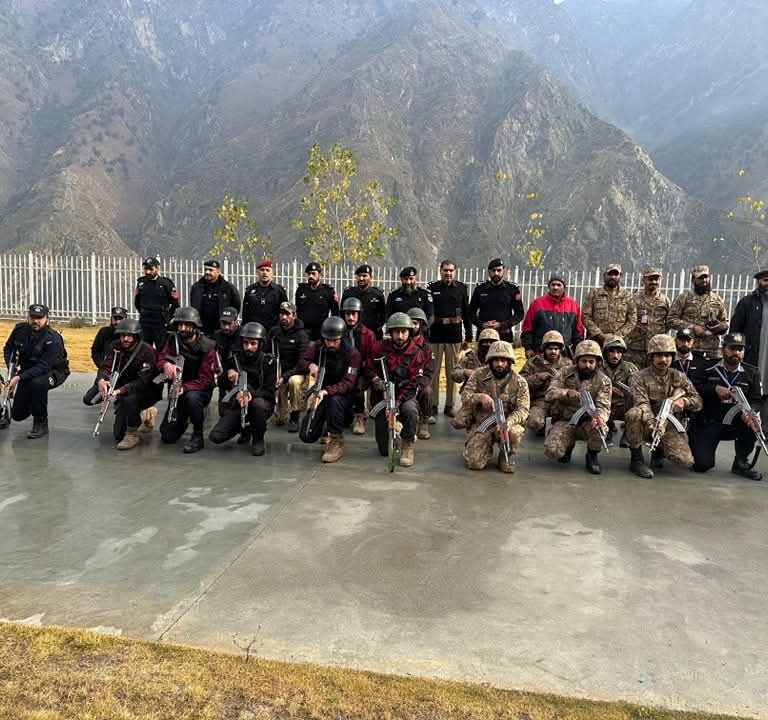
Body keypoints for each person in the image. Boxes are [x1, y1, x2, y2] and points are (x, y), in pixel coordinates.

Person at [623, 334, 703, 478]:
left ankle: (659, 450)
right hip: (646, 424)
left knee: (685, 460)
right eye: (659, 355)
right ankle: (636, 459)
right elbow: (642, 403)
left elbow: (698, 402)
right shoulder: (639, 377)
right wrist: (653, 423)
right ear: (651, 356)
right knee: (633, 414)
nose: (663, 360)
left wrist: (684, 402)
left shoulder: (678, 376)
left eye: (667, 355)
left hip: (669, 426)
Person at [689, 333, 764, 481]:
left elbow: (757, 399)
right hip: (708, 422)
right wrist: (714, 389)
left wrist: (752, 411)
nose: (736, 353)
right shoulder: (707, 367)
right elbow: (693, 387)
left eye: (740, 349)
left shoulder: (752, 372)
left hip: (735, 423)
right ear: (723, 349)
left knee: (752, 422)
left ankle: (741, 462)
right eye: (732, 348)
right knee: (701, 465)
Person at [295, 316, 360, 463]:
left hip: (343, 397)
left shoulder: (352, 354)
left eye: (334, 341)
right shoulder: (319, 346)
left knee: (335, 401)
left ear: (342, 338)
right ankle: (326, 426)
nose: (330, 343)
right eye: (327, 340)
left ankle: (336, 440)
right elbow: (301, 362)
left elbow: (348, 383)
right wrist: (309, 366)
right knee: (307, 435)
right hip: (321, 392)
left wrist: (326, 392)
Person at [369, 313, 430, 468]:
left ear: (409, 332)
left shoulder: (417, 354)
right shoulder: (379, 348)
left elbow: (413, 383)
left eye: (404, 332)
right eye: (397, 332)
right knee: (384, 450)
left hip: (405, 395)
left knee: (410, 409)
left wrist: (396, 403)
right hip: (383, 397)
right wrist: (376, 379)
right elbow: (367, 367)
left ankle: (407, 444)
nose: (400, 336)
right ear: (391, 332)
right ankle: (395, 432)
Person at [1, 304, 69, 438]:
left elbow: (44, 366)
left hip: (54, 372)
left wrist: (18, 378)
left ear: (47, 319)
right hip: (29, 371)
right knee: (18, 415)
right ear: (28, 317)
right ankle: (30, 403)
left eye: (40, 318)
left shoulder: (53, 339)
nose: (36, 321)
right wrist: (12, 369)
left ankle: (41, 423)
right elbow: (8, 348)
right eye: (33, 317)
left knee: (37, 384)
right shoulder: (20, 330)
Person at [460, 341, 529, 474]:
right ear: (490, 361)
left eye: (503, 360)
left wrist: (508, 423)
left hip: (506, 424)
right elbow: (465, 396)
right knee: (474, 463)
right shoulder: (479, 374)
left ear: (510, 362)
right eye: (496, 360)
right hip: (482, 422)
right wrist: (480, 397)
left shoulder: (519, 382)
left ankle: (505, 455)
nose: (499, 364)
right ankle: (479, 446)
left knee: (515, 432)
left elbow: (523, 409)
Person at [155, 307, 217, 454]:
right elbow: (160, 358)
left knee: (192, 398)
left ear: (195, 326)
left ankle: (198, 435)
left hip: (198, 391)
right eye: (179, 325)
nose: (182, 328)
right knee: (167, 436)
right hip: (177, 392)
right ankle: (184, 418)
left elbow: (206, 379)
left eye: (186, 325)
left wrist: (184, 388)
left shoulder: (208, 346)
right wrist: (166, 365)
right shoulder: (172, 340)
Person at [544, 340, 611, 474]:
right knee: (552, 450)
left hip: (588, 422)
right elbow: (549, 394)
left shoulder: (604, 381)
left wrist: (600, 418)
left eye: (591, 362)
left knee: (601, 429)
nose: (587, 365)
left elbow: (604, 405)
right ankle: (567, 446)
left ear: (597, 362)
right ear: (577, 361)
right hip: (565, 420)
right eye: (584, 361)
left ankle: (592, 456)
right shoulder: (564, 372)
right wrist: (566, 392)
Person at [209, 322, 277, 456]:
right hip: (237, 405)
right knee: (216, 436)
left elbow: (269, 392)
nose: (248, 347)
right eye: (245, 343)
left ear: (260, 344)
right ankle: (245, 430)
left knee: (257, 405)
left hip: (261, 404)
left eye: (253, 344)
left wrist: (250, 393)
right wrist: (228, 376)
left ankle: (258, 438)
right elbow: (221, 384)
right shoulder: (233, 360)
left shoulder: (268, 362)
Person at [94, 318, 159, 450]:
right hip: (123, 387)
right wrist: (101, 379)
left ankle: (132, 433)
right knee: (118, 435)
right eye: (123, 335)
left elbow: (142, 382)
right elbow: (106, 366)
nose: (125, 339)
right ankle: (141, 414)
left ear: (136, 336)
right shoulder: (115, 346)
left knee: (130, 400)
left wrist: (118, 392)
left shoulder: (147, 352)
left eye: (129, 336)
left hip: (146, 390)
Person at [427, 259, 471, 418]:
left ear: (455, 272)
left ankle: (450, 405)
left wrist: (469, 335)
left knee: (453, 372)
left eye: (451, 270)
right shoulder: (432, 288)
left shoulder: (461, 289)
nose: (448, 273)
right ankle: (432, 405)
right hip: (436, 336)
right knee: (434, 372)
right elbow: (428, 313)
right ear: (440, 271)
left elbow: (467, 313)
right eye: (445, 270)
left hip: (454, 336)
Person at [668, 265, 728, 359]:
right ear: (693, 280)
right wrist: (693, 327)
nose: (704, 280)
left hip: (711, 351)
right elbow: (671, 320)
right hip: (689, 350)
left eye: (706, 277)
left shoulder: (717, 300)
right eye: (700, 278)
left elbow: (725, 322)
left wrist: (720, 326)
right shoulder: (684, 297)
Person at [268, 302, 310, 431]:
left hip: (298, 374)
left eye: (287, 314)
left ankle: (295, 417)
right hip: (280, 373)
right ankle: (280, 411)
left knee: (294, 382)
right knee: (280, 420)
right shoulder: (274, 332)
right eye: (281, 314)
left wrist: (285, 376)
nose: (283, 317)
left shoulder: (302, 335)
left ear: (294, 315)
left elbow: (303, 363)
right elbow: (266, 353)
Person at [519, 330, 571, 433]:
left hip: (560, 401)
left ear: (560, 349)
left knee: (568, 424)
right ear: (544, 349)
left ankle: (556, 429)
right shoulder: (533, 362)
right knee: (534, 423)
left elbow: (575, 383)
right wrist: (537, 378)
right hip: (540, 401)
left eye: (556, 349)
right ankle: (540, 428)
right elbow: (520, 383)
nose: (553, 352)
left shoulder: (568, 364)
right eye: (550, 349)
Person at [520, 274, 583, 356]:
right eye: (553, 285)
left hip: (565, 355)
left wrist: (577, 350)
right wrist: (528, 348)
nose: (555, 287)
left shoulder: (573, 306)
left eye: (558, 285)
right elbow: (528, 328)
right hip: (540, 354)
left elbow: (578, 332)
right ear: (549, 287)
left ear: (564, 287)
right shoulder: (537, 304)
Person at [450, 328, 500, 430]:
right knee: (458, 422)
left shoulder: (501, 359)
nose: (488, 345)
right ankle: (473, 418)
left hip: (493, 399)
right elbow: (454, 373)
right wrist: (465, 372)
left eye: (491, 342)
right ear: (479, 343)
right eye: (484, 342)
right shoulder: (470, 357)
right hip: (472, 397)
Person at [729, 268, 768, 397]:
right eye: (765, 280)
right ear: (758, 282)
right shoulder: (747, 303)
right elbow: (735, 332)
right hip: (751, 356)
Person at [341, 297, 376, 435]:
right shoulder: (339, 332)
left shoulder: (368, 334)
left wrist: (360, 368)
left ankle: (359, 416)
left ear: (359, 315)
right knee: (343, 420)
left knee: (358, 386)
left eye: (353, 314)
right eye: (347, 314)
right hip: (343, 371)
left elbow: (371, 359)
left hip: (362, 371)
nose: (350, 317)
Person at [468, 258, 524, 343]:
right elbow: (471, 312)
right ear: (489, 272)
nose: (496, 273)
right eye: (493, 270)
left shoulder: (512, 289)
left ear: (504, 271)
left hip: (504, 336)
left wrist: (502, 325)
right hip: (484, 335)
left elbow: (519, 314)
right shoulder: (480, 289)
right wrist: (481, 324)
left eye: (499, 270)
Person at [82, 305, 128, 405]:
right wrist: (102, 366)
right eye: (115, 319)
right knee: (88, 400)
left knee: (124, 404)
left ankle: (120, 397)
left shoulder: (130, 335)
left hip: (126, 375)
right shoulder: (104, 332)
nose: (118, 322)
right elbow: (95, 352)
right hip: (106, 373)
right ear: (111, 319)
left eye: (121, 319)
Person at [625, 268, 670, 368]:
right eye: (650, 279)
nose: (653, 282)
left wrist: (659, 331)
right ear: (644, 280)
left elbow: (669, 321)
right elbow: (626, 318)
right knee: (634, 376)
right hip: (635, 348)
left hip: (656, 348)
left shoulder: (665, 300)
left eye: (656, 279)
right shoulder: (633, 298)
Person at [581, 263, 636, 344]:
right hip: (595, 342)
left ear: (620, 276)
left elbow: (632, 320)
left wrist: (617, 336)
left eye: (616, 274)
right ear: (604, 276)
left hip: (618, 343)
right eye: (610, 274)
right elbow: (585, 316)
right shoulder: (593, 294)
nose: (613, 277)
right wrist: (600, 334)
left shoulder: (627, 296)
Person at [134, 256, 179, 349]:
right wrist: (144, 312)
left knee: (162, 349)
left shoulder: (166, 284)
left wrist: (167, 317)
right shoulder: (141, 283)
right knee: (144, 349)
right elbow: (137, 302)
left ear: (158, 268)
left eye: (151, 269)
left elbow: (175, 304)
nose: (148, 272)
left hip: (160, 323)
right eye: (146, 269)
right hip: (145, 322)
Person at [601, 335, 638, 446]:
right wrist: (609, 389)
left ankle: (628, 434)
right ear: (605, 353)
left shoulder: (630, 368)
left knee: (636, 406)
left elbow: (637, 389)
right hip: (605, 405)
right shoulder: (598, 367)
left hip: (624, 405)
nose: (615, 355)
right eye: (611, 351)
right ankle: (607, 430)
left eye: (619, 352)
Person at [189, 259, 241, 337]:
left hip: (221, 330)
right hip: (202, 330)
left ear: (218, 271)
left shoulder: (228, 288)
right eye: (206, 270)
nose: (207, 272)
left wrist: (228, 323)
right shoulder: (196, 288)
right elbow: (193, 305)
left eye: (210, 270)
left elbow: (236, 306)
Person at [407, 307, 434, 439]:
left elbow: (429, 372)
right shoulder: (401, 343)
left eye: (416, 323)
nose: (412, 326)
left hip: (421, 381)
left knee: (427, 390)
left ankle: (424, 422)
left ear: (421, 325)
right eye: (410, 322)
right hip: (404, 380)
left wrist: (419, 383)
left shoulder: (427, 347)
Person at [295, 262, 339, 341]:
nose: (311, 276)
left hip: (321, 332)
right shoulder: (301, 290)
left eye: (313, 273)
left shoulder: (328, 291)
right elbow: (297, 310)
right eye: (308, 274)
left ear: (320, 274)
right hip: (303, 332)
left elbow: (335, 313)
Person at [340, 264, 386, 338]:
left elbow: (383, 315)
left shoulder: (378, 294)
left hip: (373, 334)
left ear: (371, 277)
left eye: (364, 276)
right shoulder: (348, 293)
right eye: (359, 276)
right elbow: (342, 313)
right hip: (352, 334)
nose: (361, 278)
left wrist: (377, 327)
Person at [242, 259, 288, 331]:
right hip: (253, 330)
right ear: (257, 272)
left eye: (267, 270)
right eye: (262, 270)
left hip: (273, 330)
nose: (264, 272)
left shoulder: (279, 291)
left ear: (272, 273)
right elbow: (245, 313)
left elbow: (284, 313)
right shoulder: (250, 290)